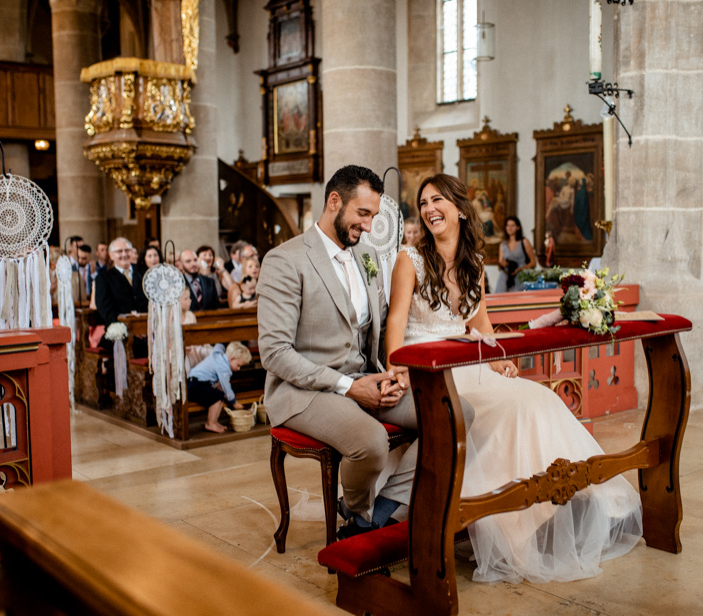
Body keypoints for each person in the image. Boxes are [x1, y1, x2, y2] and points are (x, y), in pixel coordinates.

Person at [385, 174, 642, 584]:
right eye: (424, 203)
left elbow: (480, 326)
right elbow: (395, 321)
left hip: (470, 362)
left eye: (437, 200)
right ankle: (507, 522)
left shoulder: (474, 266)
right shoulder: (409, 260)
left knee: (538, 399)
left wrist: (500, 360)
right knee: (508, 410)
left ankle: (555, 504)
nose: (429, 209)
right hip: (429, 369)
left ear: (460, 208)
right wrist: (394, 369)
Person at [258, 165, 461, 539]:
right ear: (334, 201)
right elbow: (274, 353)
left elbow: (380, 323)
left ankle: (374, 512)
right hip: (303, 390)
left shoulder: (365, 255)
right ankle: (355, 510)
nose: (368, 227)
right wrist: (349, 388)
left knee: (452, 416)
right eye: (362, 214)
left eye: (373, 217)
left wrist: (392, 372)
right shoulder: (285, 261)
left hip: (364, 376)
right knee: (371, 442)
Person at [94, 237, 149, 351]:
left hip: (146, 332)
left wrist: (144, 329)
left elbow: (149, 305)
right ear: (111, 255)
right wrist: (131, 330)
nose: (124, 254)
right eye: (119, 251)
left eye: (127, 250)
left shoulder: (143, 276)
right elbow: (106, 310)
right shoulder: (104, 279)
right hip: (119, 333)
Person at [187, 341, 252, 433]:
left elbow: (219, 345)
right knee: (218, 397)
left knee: (220, 395)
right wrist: (234, 402)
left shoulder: (218, 354)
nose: (238, 369)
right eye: (238, 365)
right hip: (194, 385)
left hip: (193, 383)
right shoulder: (224, 367)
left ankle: (214, 422)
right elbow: (226, 387)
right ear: (232, 358)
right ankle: (211, 423)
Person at [495, 216, 537, 293]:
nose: (509, 228)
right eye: (507, 225)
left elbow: (533, 263)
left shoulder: (524, 242)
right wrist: (503, 263)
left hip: (520, 277)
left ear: (518, 227)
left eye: (512, 225)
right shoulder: (503, 244)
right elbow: (499, 264)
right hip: (505, 279)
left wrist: (520, 269)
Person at [180, 287, 214, 372]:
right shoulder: (170, 319)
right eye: (186, 299)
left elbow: (195, 335)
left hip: (192, 347)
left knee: (210, 352)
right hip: (178, 349)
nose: (190, 301)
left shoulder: (191, 315)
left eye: (190, 297)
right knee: (184, 360)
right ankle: (188, 383)